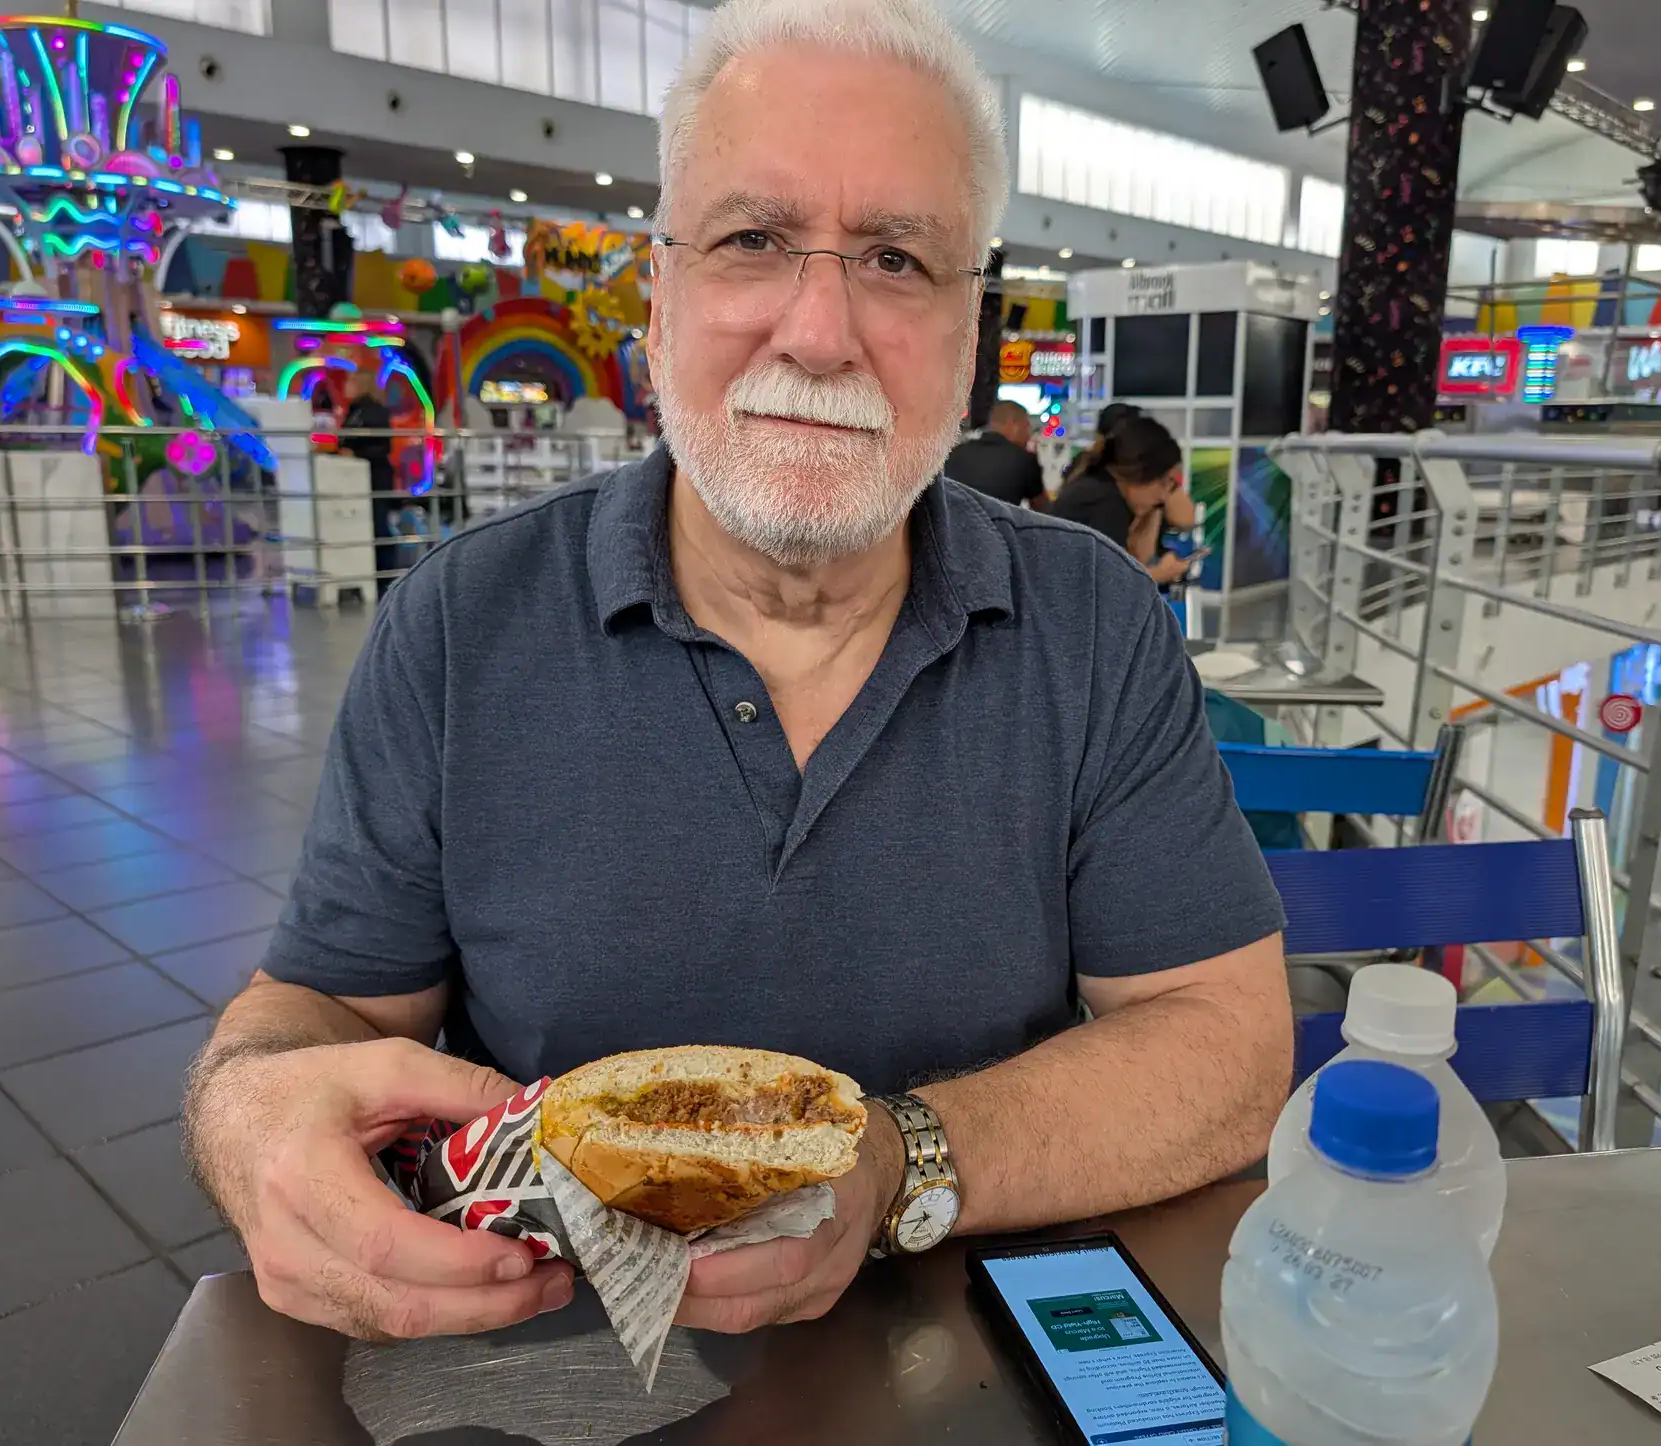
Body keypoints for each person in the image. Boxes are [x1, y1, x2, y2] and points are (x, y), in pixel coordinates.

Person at [183, 0, 1288, 1346]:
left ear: (968, 325)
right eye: (752, 239)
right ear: (660, 291)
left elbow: (1224, 1043)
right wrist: (248, 1119)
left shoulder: (1092, 627)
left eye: (894, 256)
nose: (818, 330)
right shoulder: (463, 624)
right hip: (552, 1371)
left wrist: (903, 1162)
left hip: (972, 1370)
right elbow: (326, 1005)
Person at [1052, 413, 1203, 588]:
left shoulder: (1101, 488)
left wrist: (1152, 511)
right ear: (1139, 474)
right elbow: (1110, 585)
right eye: (1163, 484)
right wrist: (1159, 574)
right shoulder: (1105, 502)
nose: (1164, 496)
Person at [335, 367, 405, 597]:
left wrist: (356, 453)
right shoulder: (353, 411)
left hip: (375, 478)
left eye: (350, 382)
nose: (345, 386)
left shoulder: (374, 412)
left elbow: (382, 447)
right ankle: (367, 576)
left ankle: (385, 578)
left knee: (378, 526)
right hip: (353, 479)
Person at [942, 399, 1048, 509]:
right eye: (1026, 427)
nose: (1029, 436)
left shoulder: (956, 452)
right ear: (1013, 424)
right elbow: (1043, 509)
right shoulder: (1024, 459)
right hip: (998, 525)